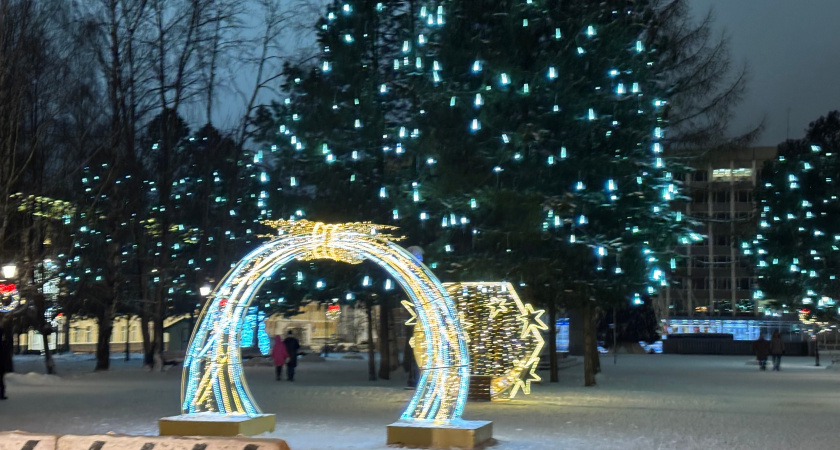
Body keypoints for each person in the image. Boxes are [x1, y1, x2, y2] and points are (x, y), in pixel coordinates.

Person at [0, 323, 13, 399]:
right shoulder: (4, 344)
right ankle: (1, 394)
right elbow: (6, 355)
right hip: (1, 365)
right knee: (1, 380)